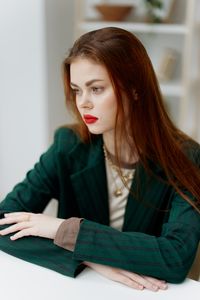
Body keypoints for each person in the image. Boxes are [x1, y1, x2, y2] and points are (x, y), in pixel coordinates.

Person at [0, 27, 200, 291]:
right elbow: (3, 222)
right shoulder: (68, 145)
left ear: (135, 89)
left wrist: (67, 231)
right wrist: (88, 258)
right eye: (77, 90)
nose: (83, 103)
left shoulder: (186, 157)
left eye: (96, 89)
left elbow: (175, 257)